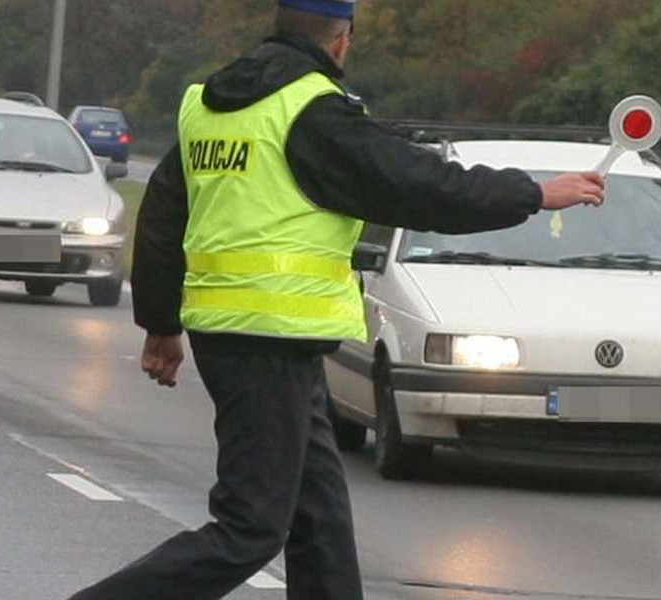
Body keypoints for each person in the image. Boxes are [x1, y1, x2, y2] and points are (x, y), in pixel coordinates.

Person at [67, 1, 604, 599]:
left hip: (251, 338)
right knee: (250, 529)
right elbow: (422, 186)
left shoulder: (210, 106)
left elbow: (165, 212)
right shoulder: (315, 113)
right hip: (267, 341)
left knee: (318, 520)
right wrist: (532, 192)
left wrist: (161, 324)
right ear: (342, 41)